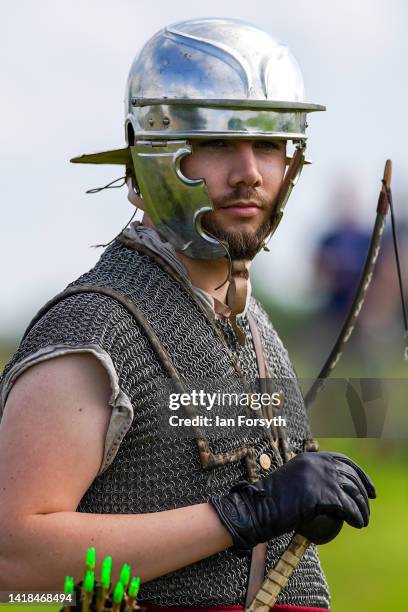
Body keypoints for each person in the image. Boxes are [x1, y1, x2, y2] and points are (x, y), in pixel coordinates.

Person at [0, 18, 375, 610]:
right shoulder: (94, 331)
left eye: (269, 144)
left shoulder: (254, 327)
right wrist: (244, 514)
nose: (250, 171)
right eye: (219, 142)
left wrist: (295, 512)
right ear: (151, 152)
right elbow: (12, 556)